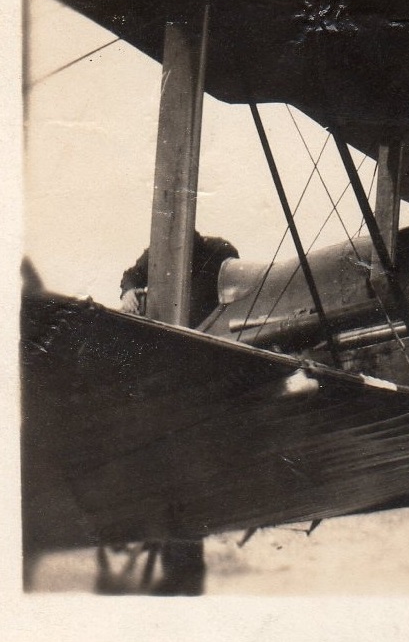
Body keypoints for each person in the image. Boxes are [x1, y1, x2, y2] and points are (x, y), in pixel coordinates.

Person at [109, 229, 239, 596]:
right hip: (171, 372)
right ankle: (180, 572)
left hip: (203, 366)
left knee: (183, 478)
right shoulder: (158, 250)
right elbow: (131, 274)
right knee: (171, 480)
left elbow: (231, 290)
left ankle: (185, 574)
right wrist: (129, 292)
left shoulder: (218, 250)